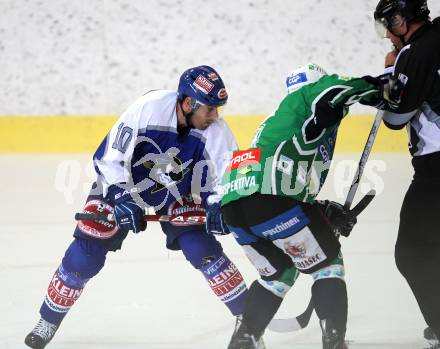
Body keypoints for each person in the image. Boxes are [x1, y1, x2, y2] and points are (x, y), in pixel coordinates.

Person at [24, 65, 257, 349]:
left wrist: (219, 205)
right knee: (85, 255)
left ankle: (250, 324)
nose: (215, 116)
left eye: (217, 109)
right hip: (124, 183)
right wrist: (122, 196)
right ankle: (48, 320)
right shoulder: (148, 108)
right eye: (209, 109)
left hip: (179, 193)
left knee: (202, 250)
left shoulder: (216, 130)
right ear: (187, 103)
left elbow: (227, 174)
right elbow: (111, 156)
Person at [219, 63, 383, 349]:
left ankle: (244, 340)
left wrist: (321, 213)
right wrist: (376, 88)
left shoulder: (282, 122)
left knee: (278, 272)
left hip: (236, 206)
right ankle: (334, 343)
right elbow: (332, 89)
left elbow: (284, 185)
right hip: (270, 199)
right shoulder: (305, 100)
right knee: (328, 266)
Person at [373, 1, 440, 348]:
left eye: (390, 23)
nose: (387, 33)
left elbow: (395, 120)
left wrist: (389, 73)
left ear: (404, 19)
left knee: (412, 253)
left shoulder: (412, 55)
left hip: (436, 168)